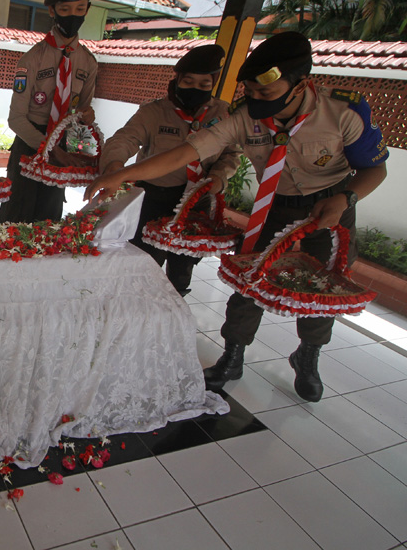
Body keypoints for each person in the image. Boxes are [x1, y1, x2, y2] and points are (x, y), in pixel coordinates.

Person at [85, 31, 388, 402]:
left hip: (331, 208)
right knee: (249, 281)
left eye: (266, 94)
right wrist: (123, 173)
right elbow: (188, 151)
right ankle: (233, 355)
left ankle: (308, 355)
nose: (256, 101)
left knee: (322, 287)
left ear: (301, 85)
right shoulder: (245, 117)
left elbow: (375, 170)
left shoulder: (343, 113)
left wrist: (346, 198)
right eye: (251, 93)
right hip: (272, 207)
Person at [99, 44, 241, 296]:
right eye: (188, 81)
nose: (195, 89)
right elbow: (125, 139)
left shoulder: (223, 114)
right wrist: (114, 168)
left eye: (204, 84)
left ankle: (174, 308)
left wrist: (219, 176)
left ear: (213, 84)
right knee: (144, 262)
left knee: (182, 267)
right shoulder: (154, 112)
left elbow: (231, 153)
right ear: (176, 79)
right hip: (155, 199)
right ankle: (136, 309)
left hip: (196, 201)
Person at [0, 0, 98, 223]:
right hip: (30, 146)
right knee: (15, 221)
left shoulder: (88, 63)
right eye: (65, 10)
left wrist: (87, 116)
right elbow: (16, 119)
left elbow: (83, 112)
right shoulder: (32, 59)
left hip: (61, 148)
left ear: (87, 8)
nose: (72, 16)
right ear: (52, 10)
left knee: (49, 221)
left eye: (79, 9)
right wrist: (49, 149)